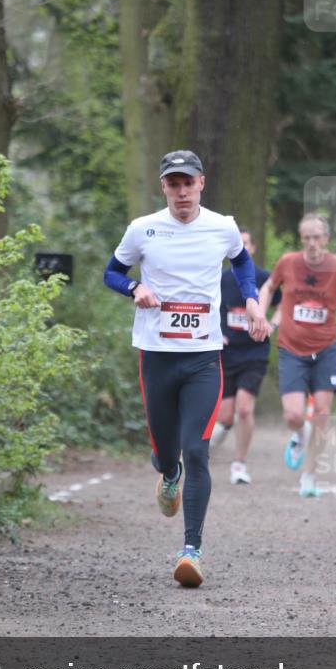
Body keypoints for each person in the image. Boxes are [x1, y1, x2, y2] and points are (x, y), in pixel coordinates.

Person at [103, 151, 268, 587]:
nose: (181, 191)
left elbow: (242, 261)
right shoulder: (143, 229)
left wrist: (251, 298)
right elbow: (111, 272)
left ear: (201, 183)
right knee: (165, 454)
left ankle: (190, 550)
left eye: (187, 182)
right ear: (164, 187)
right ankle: (168, 473)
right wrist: (134, 287)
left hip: (203, 358)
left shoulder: (223, 226)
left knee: (197, 450)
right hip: (156, 357)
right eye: (172, 183)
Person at [258, 214, 336, 497]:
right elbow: (270, 286)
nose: (311, 243)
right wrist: (260, 312)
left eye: (316, 238)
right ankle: (298, 436)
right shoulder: (288, 262)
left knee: (322, 411)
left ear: (327, 239)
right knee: (294, 415)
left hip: (325, 349)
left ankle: (309, 476)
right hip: (292, 348)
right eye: (306, 238)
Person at [210, 229, 281, 485]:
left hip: (254, 351)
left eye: (245, 243)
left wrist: (273, 323)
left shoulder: (264, 278)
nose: (240, 247)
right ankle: (201, 457)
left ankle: (239, 464)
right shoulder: (219, 278)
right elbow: (208, 306)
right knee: (225, 416)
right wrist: (216, 332)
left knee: (243, 407)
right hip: (227, 352)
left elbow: (284, 302)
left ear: (251, 248)